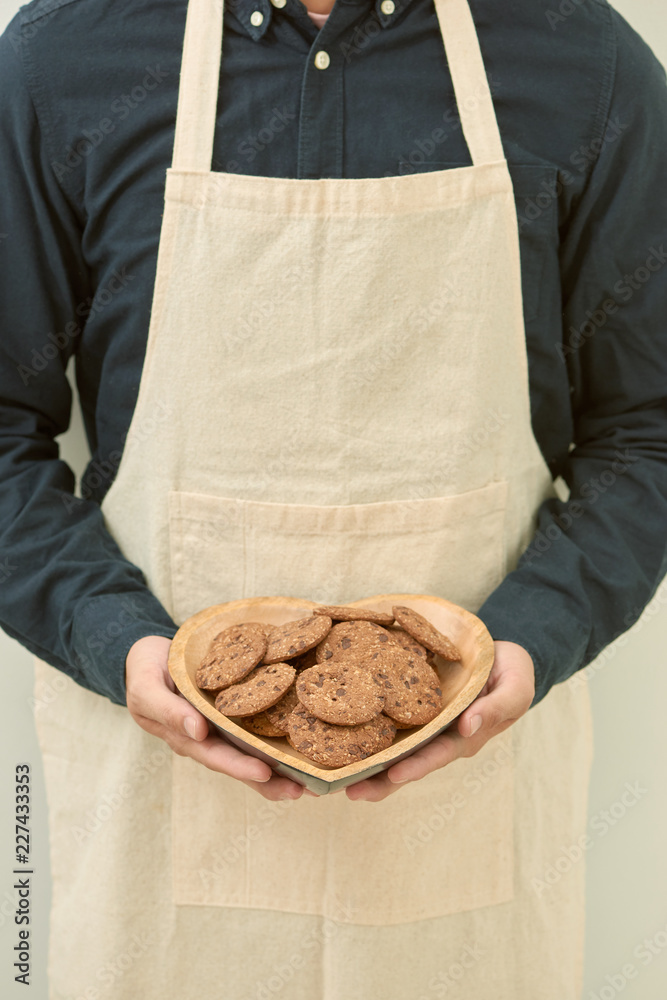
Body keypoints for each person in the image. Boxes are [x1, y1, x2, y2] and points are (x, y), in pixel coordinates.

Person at [1, 0, 666, 996]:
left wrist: (531, 633)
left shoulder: (586, 66)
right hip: (158, 807)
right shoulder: (63, 61)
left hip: (470, 824)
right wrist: (114, 637)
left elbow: (646, 429)